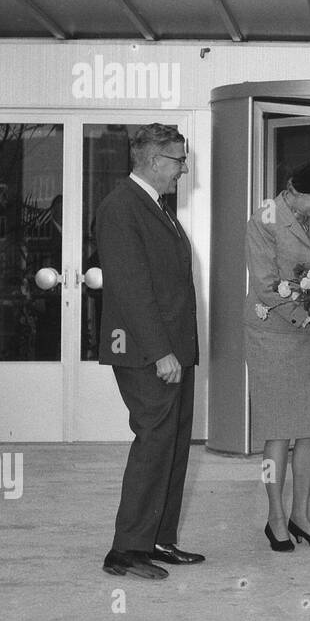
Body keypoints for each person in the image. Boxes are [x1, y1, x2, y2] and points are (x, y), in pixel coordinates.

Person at [95, 124, 202, 580]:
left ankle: (159, 538)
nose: (184, 168)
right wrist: (161, 351)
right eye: (179, 160)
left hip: (172, 348)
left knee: (173, 447)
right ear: (155, 161)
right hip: (147, 352)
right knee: (153, 443)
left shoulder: (154, 206)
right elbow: (131, 287)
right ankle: (126, 550)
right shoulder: (122, 207)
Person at [245, 155, 310, 553]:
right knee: (278, 428)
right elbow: (267, 286)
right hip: (272, 331)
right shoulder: (264, 219)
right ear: (298, 191)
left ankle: (301, 515)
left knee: (308, 427)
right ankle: (275, 518)